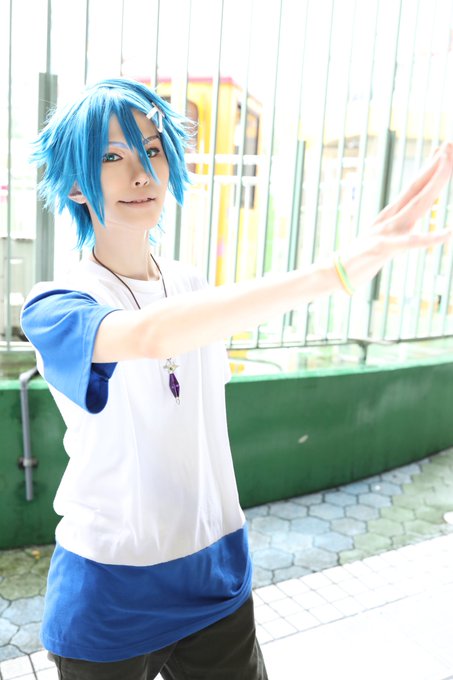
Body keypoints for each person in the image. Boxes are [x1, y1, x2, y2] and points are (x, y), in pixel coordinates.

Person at [21, 77, 453, 680]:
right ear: (74, 183)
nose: (140, 173)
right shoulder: (55, 306)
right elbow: (149, 336)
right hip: (109, 592)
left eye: (152, 150)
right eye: (112, 158)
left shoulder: (191, 285)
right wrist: (333, 272)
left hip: (215, 574)